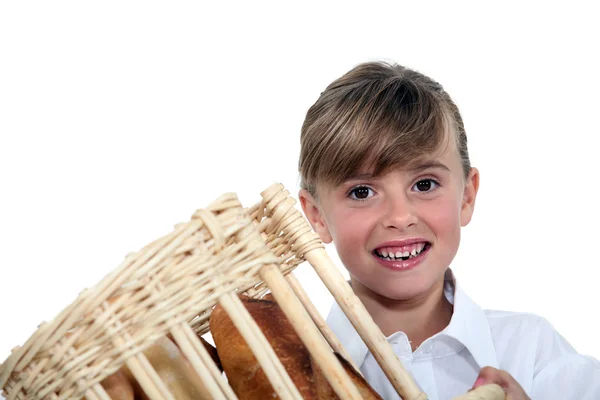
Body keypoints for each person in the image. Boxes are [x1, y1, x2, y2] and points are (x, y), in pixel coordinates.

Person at [297, 61, 600, 399]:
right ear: (317, 216)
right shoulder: (282, 373)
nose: (400, 216)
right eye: (362, 192)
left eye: (424, 184)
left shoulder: (535, 355)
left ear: (466, 196)